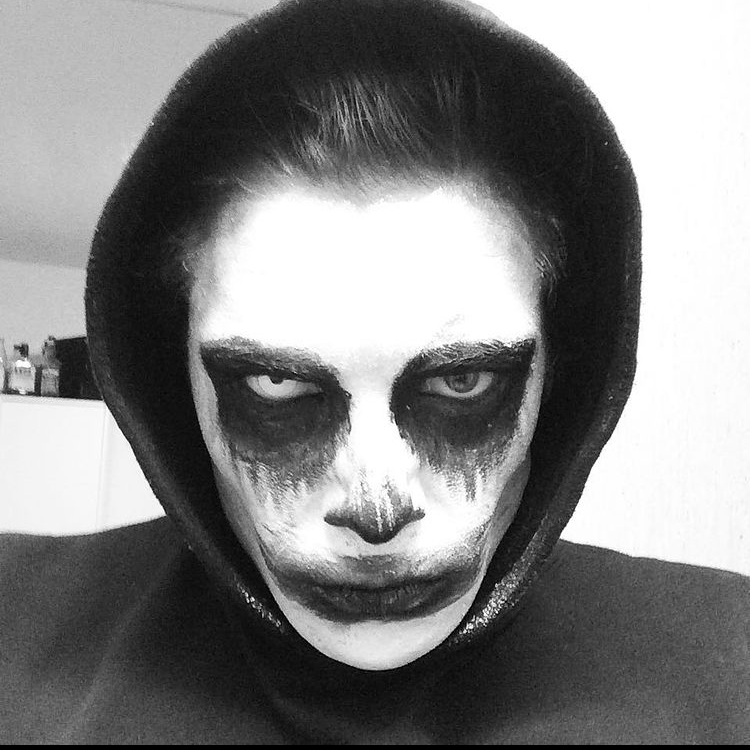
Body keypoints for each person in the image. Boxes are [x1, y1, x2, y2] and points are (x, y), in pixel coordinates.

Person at [1, 0, 747, 742]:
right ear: (174, 377)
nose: (376, 510)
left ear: (560, 370)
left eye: (461, 384)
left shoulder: (728, 661)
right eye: (277, 386)